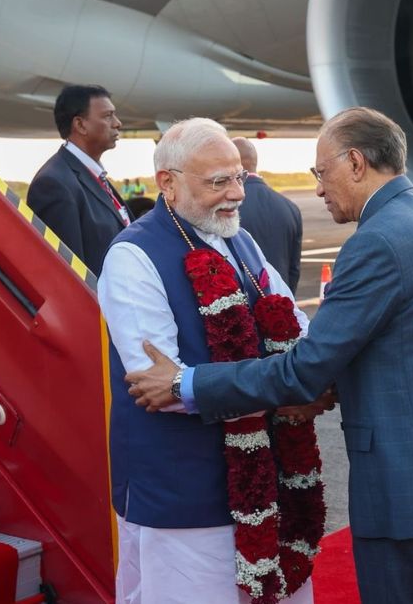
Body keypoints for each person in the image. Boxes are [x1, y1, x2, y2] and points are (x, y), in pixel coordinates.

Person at [125, 107, 413, 604]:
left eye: (321, 173)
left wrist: (185, 384)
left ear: (354, 163)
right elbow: (400, 347)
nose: (320, 188)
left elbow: (305, 369)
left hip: (407, 482)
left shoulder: (376, 242)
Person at [99, 118, 325, 604]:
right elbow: (161, 386)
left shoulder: (239, 240)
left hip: (264, 476)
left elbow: (297, 335)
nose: (237, 194)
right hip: (184, 492)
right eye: (219, 182)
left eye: (239, 177)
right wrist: (288, 380)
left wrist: (298, 373)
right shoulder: (133, 257)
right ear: (168, 183)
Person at [26, 84, 131, 275]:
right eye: (108, 116)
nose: (117, 123)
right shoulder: (54, 184)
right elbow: (67, 273)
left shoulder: (93, 176)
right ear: (80, 125)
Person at [234, 136, 305, 292]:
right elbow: (294, 269)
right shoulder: (290, 207)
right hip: (281, 303)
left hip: (243, 306)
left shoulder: (228, 207)